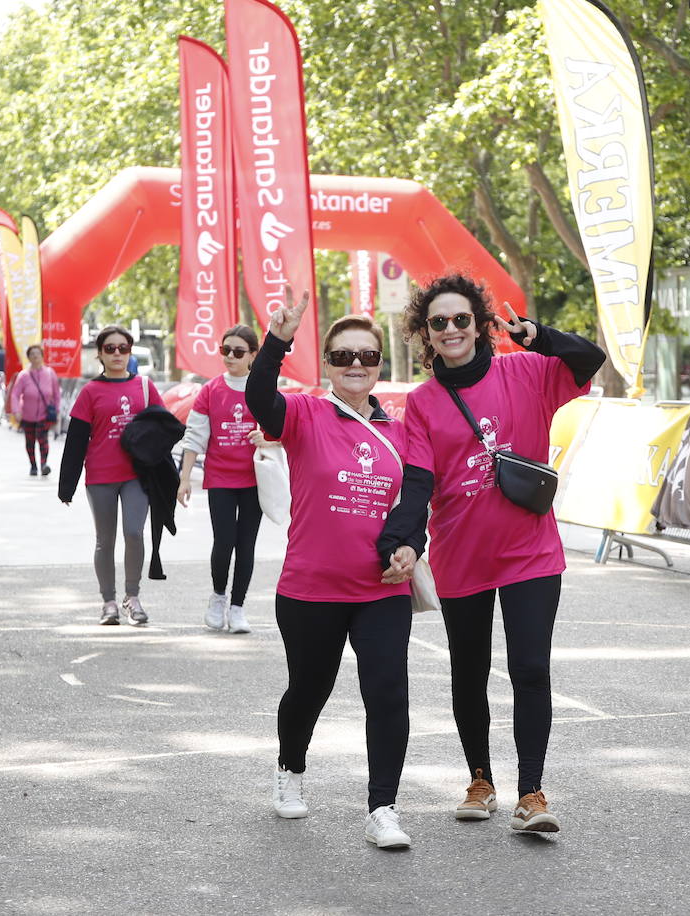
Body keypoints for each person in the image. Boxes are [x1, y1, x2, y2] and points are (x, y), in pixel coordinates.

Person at [376, 273, 605, 835]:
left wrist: (539, 336)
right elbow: (419, 484)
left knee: (530, 668)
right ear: (426, 335)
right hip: (462, 555)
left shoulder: (528, 371)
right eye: (438, 323)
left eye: (461, 319)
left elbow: (590, 358)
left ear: (480, 325)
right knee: (469, 672)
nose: (451, 329)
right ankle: (480, 779)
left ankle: (532, 792)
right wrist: (404, 542)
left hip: (530, 550)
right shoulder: (424, 404)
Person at [245, 291, 418, 850]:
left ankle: (383, 808)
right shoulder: (304, 413)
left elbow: (416, 503)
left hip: (381, 590)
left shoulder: (401, 432)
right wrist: (276, 338)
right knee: (309, 689)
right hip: (311, 588)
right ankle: (290, 770)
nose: (356, 366)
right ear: (328, 364)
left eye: (368, 357)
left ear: (379, 365)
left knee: (387, 691)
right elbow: (258, 398)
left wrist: (411, 545)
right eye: (343, 357)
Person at [58, 326, 163, 626]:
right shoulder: (90, 391)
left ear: (130, 351)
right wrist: (67, 485)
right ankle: (109, 602)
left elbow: (163, 428)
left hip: (136, 474)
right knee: (105, 540)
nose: (117, 353)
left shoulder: (145, 386)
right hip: (101, 475)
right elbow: (76, 440)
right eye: (110, 348)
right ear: (100, 354)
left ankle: (133, 596)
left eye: (123, 348)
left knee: (134, 532)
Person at [177, 325, 263, 635]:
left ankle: (238, 607)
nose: (230, 357)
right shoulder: (210, 390)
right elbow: (195, 437)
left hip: (256, 481)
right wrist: (184, 479)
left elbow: (283, 431)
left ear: (253, 355)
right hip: (221, 478)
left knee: (247, 544)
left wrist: (265, 439)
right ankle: (218, 597)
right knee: (224, 541)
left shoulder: (262, 388)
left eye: (238, 352)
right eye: (225, 350)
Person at [9, 344, 60, 476]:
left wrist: (57, 411)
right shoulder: (23, 375)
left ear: (42, 356)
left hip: (45, 414)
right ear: (28, 357)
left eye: (38, 353)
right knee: (30, 442)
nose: (35, 356)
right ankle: (33, 466)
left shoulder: (50, 373)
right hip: (27, 415)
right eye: (32, 354)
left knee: (43, 440)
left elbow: (56, 394)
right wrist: (16, 411)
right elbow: (15, 394)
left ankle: (44, 464)